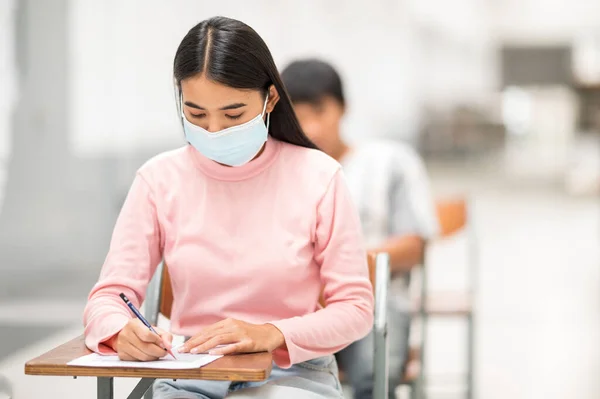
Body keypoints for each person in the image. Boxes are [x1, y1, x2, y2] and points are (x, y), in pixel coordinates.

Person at [83, 17, 374, 399]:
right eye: (197, 114)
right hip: (190, 373)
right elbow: (109, 297)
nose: (215, 131)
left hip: (291, 374)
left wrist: (273, 333)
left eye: (234, 115)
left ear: (270, 99)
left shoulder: (319, 177)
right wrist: (120, 330)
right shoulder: (158, 180)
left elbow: (355, 309)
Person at [281, 59, 439, 399]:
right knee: (275, 374)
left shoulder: (389, 162)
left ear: (343, 109)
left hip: (375, 304)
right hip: (295, 307)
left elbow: (414, 246)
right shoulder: (278, 170)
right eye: (298, 114)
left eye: (319, 111)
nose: (310, 126)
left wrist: (342, 265)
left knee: (372, 373)